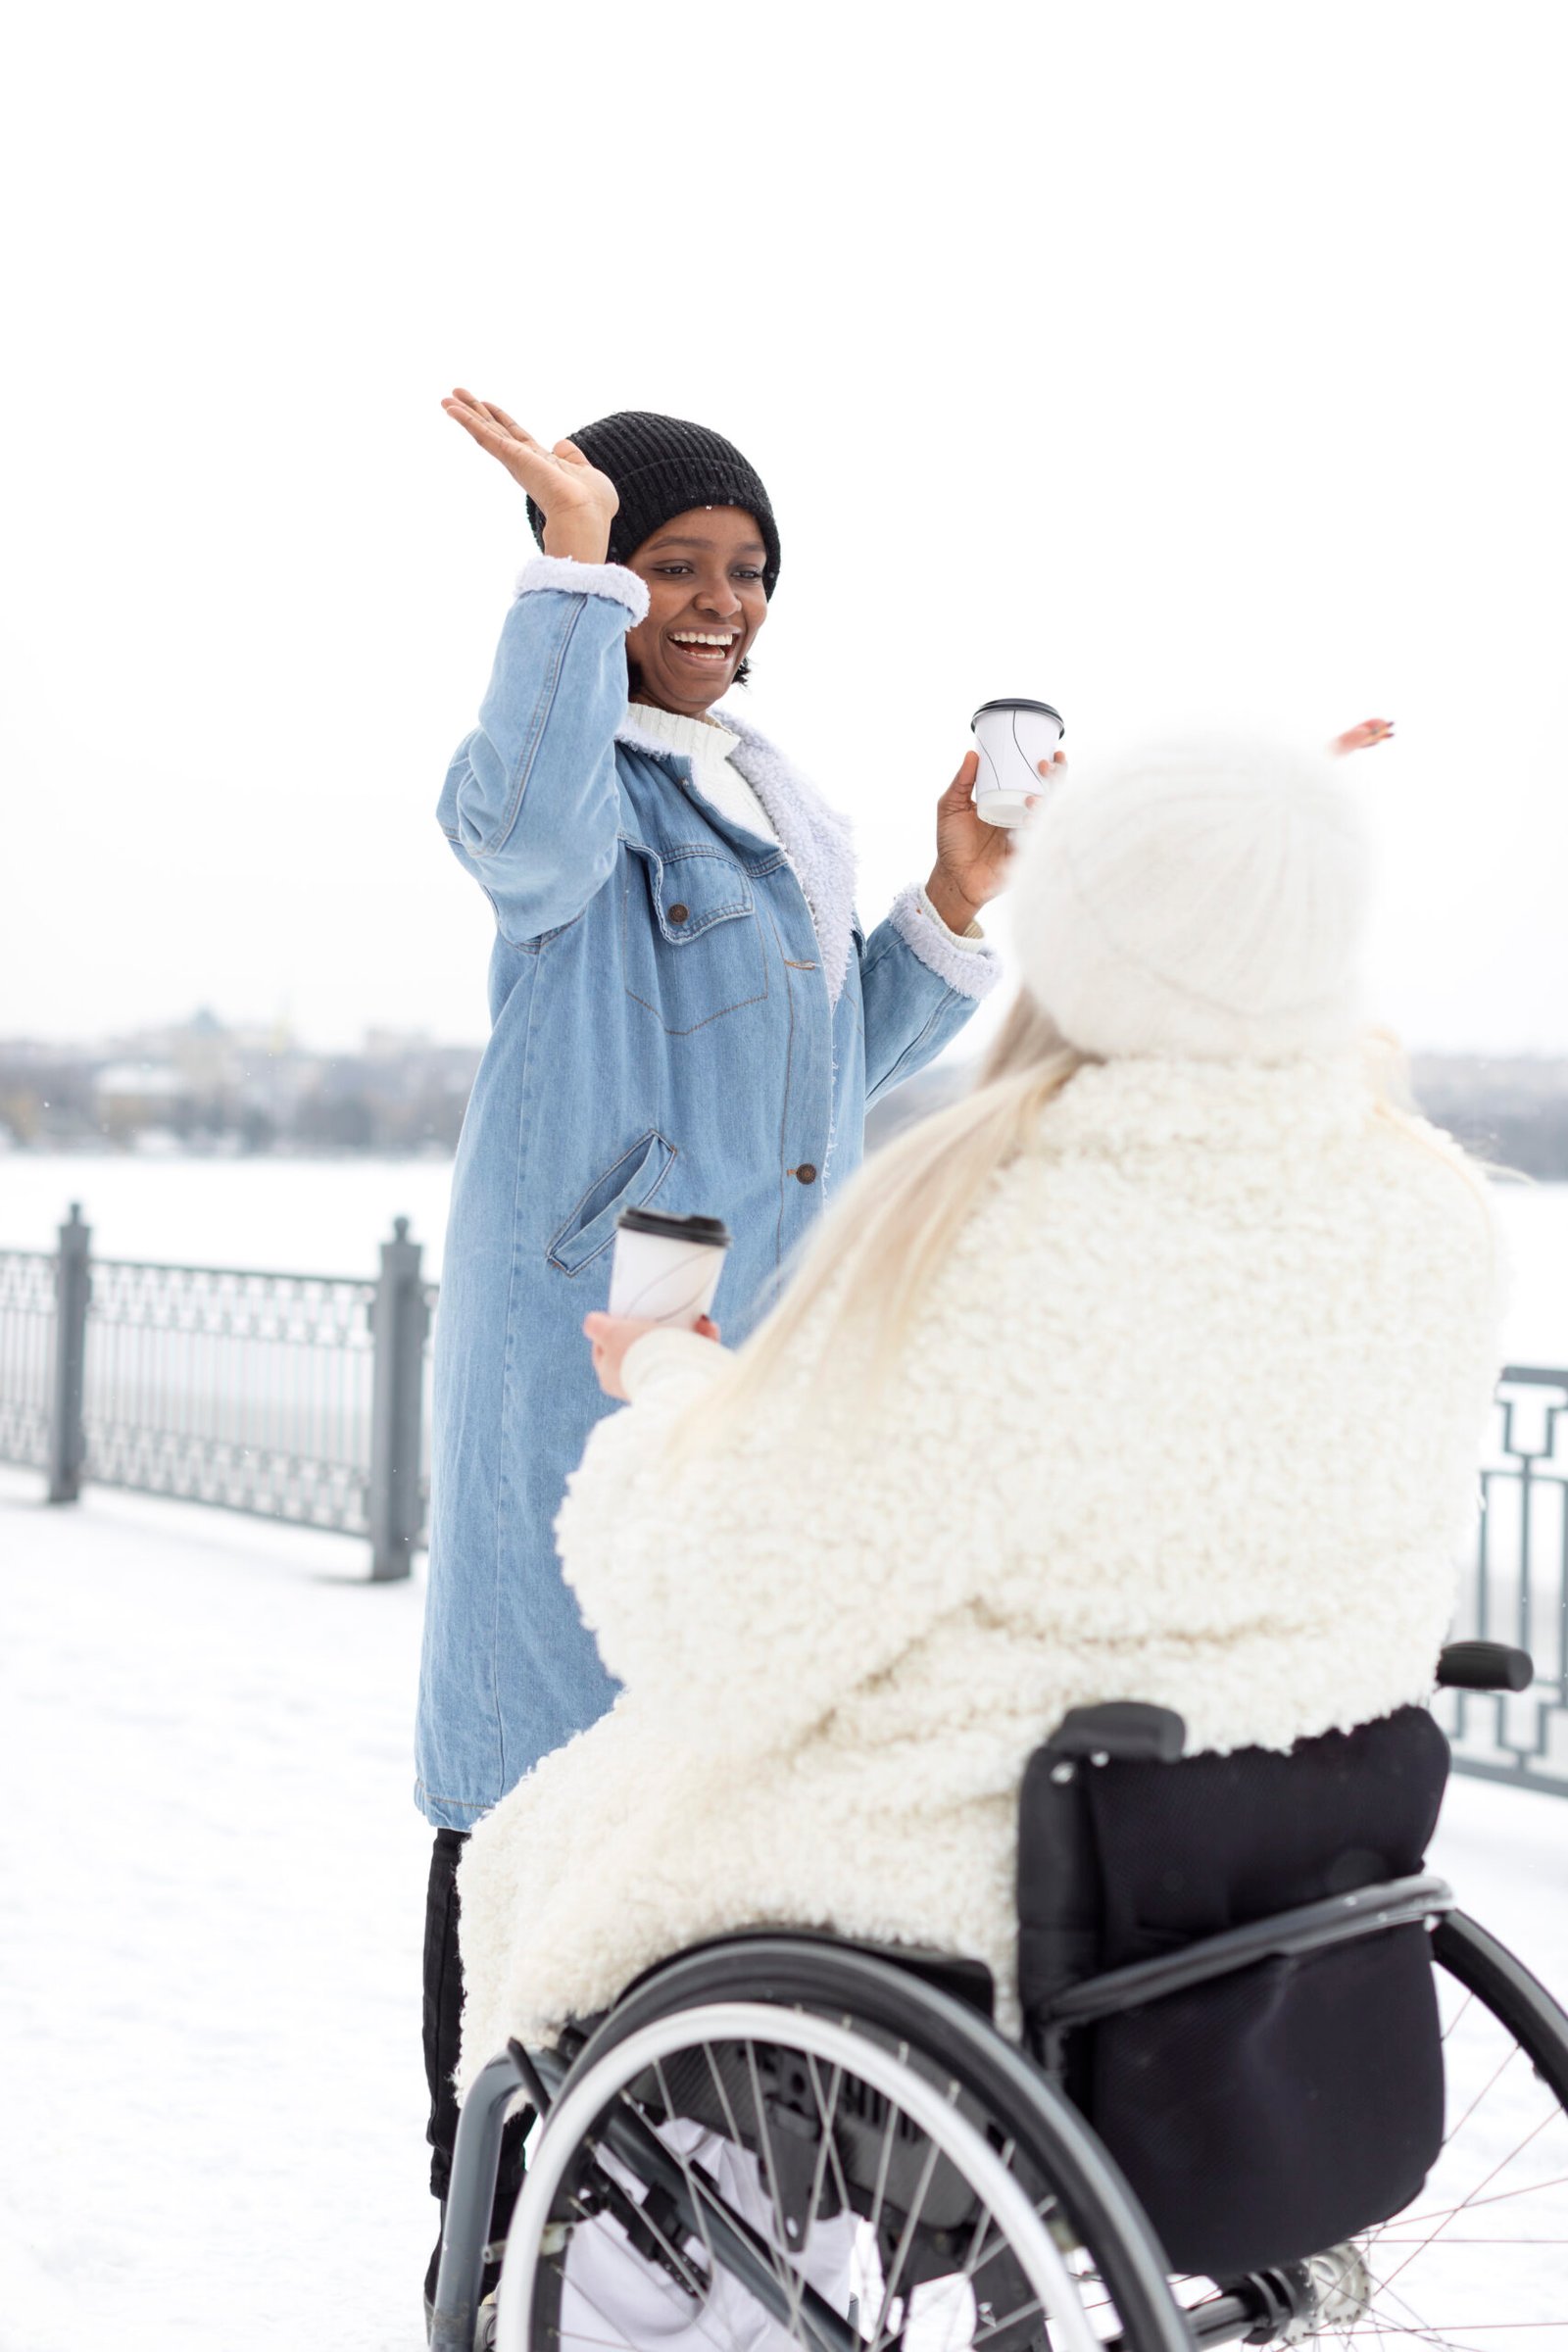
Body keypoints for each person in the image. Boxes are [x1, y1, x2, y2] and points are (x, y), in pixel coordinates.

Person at [454, 726, 1501, 2078]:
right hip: (1289, 1841)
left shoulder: (1014, 1223)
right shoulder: (1427, 1203)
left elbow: (729, 1620)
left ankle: (625, 2277)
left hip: (990, 1869)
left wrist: (663, 1386)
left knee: (541, 1847)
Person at [416, 396, 1039, 2305]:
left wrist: (946, 899)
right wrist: (566, 557)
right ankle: (488, 2206)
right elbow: (502, 833)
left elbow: (817, 1089)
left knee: (701, 1782)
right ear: (602, 590)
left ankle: (673, 2210)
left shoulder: (762, 791)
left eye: (739, 569)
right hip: (593, 1362)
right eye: (672, 567)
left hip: (737, 1372)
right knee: (535, 1789)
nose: (714, 599)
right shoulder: (582, 787)